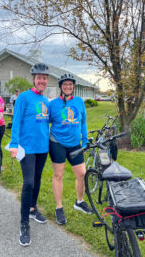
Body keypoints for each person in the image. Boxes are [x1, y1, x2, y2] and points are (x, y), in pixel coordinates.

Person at [9, 63, 50, 246]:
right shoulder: (24, 98)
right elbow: (16, 121)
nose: (42, 80)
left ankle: (33, 209)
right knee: (29, 183)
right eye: (39, 77)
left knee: (38, 179)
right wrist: (13, 143)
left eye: (44, 78)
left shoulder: (46, 101)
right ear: (33, 79)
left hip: (42, 147)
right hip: (27, 148)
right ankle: (24, 223)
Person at [49, 73, 93, 225]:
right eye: (65, 84)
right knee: (58, 175)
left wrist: (85, 140)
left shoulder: (79, 102)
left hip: (75, 144)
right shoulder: (53, 104)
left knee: (81, 174)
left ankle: (79, 202)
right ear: (60, 86)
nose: (68, 86)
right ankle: (59, 208)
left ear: (73, 86)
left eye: (70, 84)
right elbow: (42, 123)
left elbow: (83, 122)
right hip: (57, 143)